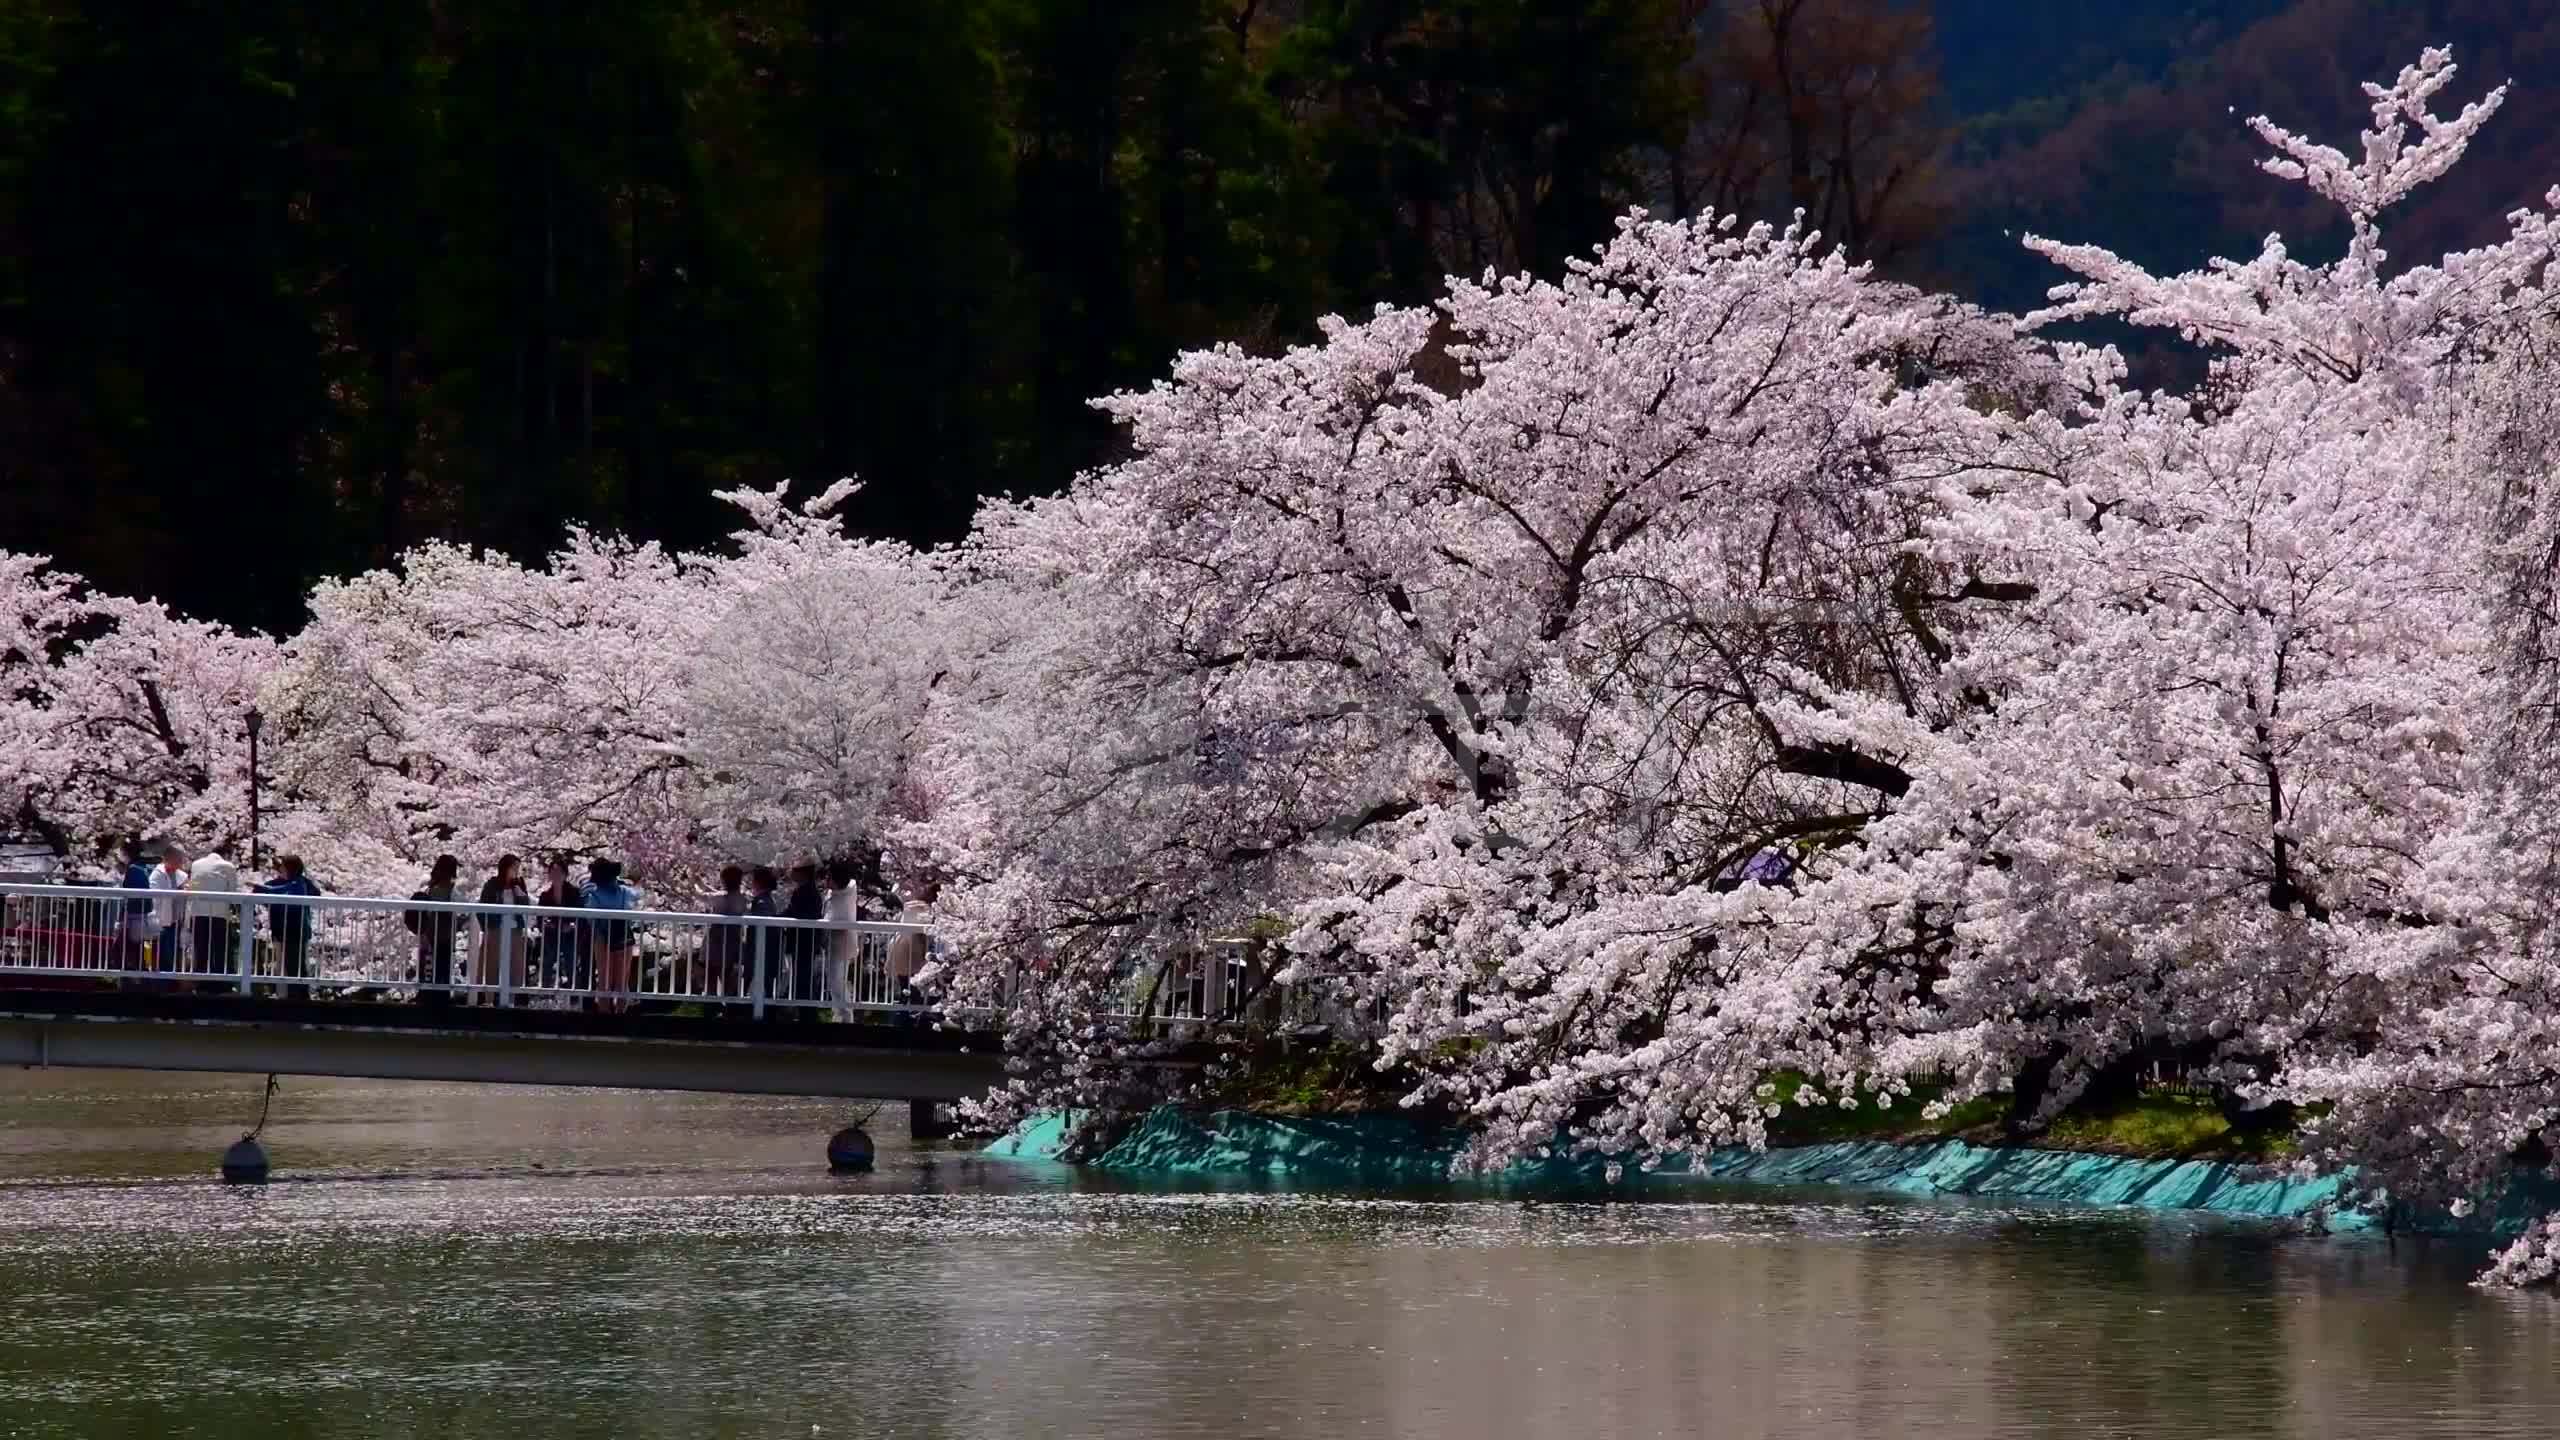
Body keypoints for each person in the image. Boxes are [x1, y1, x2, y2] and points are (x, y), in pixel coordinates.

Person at [254, 855, 322, 996]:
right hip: (285, 930)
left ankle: (297, 996)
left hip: (295, 930)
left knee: (295, 966)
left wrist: (260, 888)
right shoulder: (296, 882)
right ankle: (290, 995)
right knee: (288, 966)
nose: (280, 869)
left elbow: (276, 892)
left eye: (283, 866)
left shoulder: (298, 883)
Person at [184, 846, 245, 993]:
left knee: (201, 948)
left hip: (197, 913)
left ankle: (201, 982)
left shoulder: (196, 864)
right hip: (219, 914)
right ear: (226, 854)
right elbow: (233, 893)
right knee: (220, 948)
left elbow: (192, 888)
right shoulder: (228, 866)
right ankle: (221, 983)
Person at [406, 854, 463, 1007]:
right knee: (442, 968)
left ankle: (426, 996)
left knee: (429, 966)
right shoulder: (446, 889)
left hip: (430, 933)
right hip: (442, 934)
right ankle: (440, 998)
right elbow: (461, 907)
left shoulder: (431, 887)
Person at [582, 858, 638, 1014]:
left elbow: (590, 916)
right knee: (622, 980)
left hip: (602, 935)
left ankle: (604, 1016)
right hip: (624, 935)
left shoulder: (593, 893)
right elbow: (634, 903)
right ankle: (620, 1014)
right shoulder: (625, 891)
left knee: (604, 979)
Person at [475, 854, 532, 1006]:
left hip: (514, 929)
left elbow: (526, 905)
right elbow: (481, 908)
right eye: (514, 868)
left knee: (516, 965)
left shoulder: (519, 884)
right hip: (496, 928)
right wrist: (486, 927)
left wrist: (521, 895)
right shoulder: (492, 885)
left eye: (518, 868)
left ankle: (512, 1000)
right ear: (505, 868)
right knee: (491, 964)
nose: (516, 871)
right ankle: (489, 999)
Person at [534, 855, 585, 1000]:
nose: (556, 876)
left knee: (571, 965)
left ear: (565, 874)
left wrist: (572, 925)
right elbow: (540, 918)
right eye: (553, 872)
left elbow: (582, 915)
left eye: (559, 872)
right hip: (551, 935)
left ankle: (575, 999)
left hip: (570, 935)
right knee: (547, 963)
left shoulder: (574, 893)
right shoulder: (545, 895)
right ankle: (545, 997)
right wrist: (545, 924)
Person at [780, 862, 824, 1010]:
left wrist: (775, 918)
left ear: (802, 873)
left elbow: (792, 912)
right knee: (802, 977)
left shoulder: (804, 892)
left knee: (802, 978)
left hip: (803, 941)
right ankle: (804, 1010)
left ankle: (805, 1011)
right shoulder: (810, 891)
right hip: (807, 941)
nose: (790, 873)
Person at [705, 864, 749, 1005]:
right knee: (728, 971)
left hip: (716, 938)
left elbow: (704, 897)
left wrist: (693, 883)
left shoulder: (719, 897)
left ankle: (711, 1001)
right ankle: (730, 1002)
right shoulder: (743, 898)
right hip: (734, 937)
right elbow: (715, 894)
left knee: (712, 970)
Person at [147, 844, 188, 987]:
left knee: (175, 952)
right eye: (179, 858)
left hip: (177, 920)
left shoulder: (182, 876)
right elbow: (154, 897)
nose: (181, 862)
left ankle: (172, 982)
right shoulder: (158, 874)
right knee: (163, 953)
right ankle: (162, 984)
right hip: (162, 921)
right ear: (169, 857)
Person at [824, 860, 862, 1011]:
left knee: (836, 982)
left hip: (841, 943)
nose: (826, 880)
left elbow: (833, 918)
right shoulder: (838, 893)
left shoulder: (843, 896)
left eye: (829, 877)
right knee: (837, 982)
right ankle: (841, 1014)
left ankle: (845, 1015)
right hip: (838, 943)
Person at [744, 865, 779, 1010]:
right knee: (764, 981)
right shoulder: (765, 900)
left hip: (762, 948)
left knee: (759, 979)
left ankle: (760, 1011)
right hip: (765, 949)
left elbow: (762, 923)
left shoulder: (762, 902)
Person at [116, 839, 153, 975]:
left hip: (134, 916)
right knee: (142, 948)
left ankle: (131, 977)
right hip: (146, 915)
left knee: (125, 950)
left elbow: (130, 896)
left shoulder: (133, 870)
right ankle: (143, 973)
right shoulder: (145, 867)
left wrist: (122, 917)